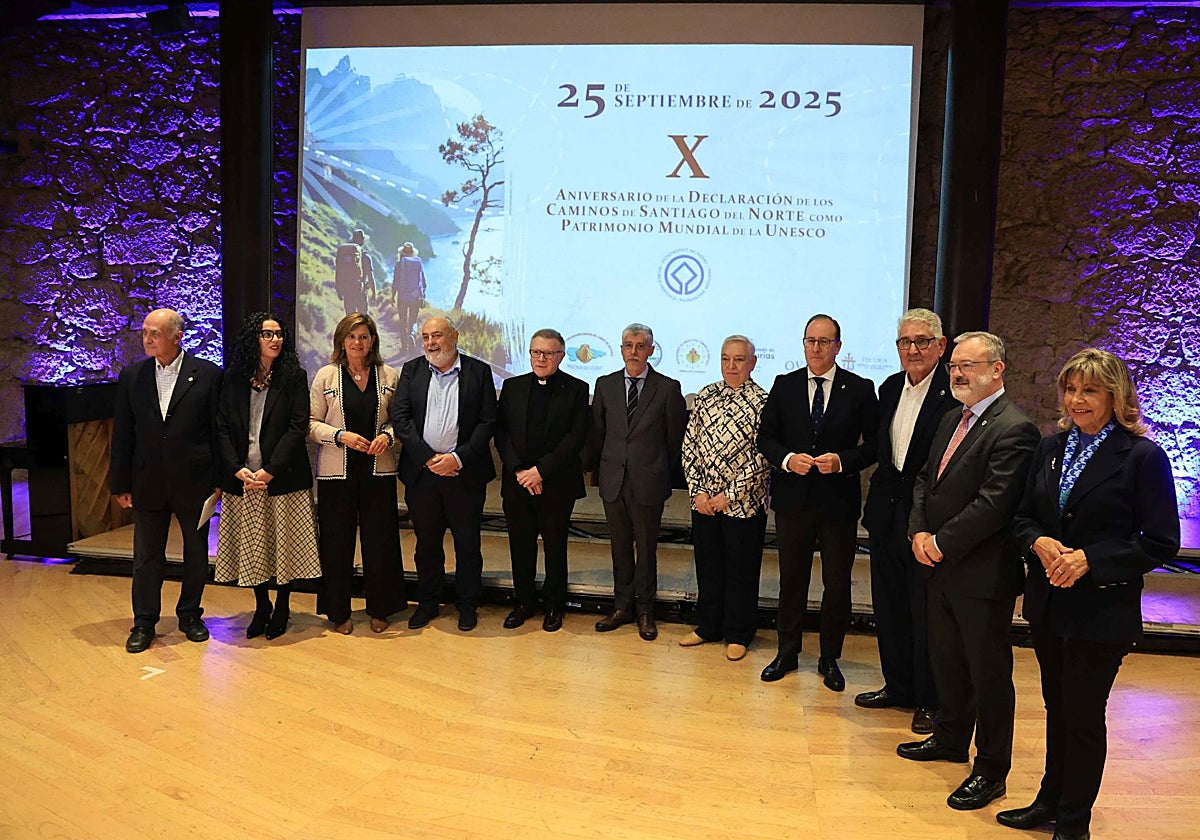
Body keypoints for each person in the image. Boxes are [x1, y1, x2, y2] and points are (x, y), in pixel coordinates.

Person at [998, 349, 1179, 840]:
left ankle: (1074, 823)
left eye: (1090, 391)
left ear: (1116, 397)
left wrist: (1090, 561)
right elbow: (1021, 517)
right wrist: (1036, 540)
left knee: (1081, 716)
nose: (1077, 400)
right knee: (1058, 709)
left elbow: (1160, 541)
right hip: (1049, 604)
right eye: (1071, 389)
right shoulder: (1052, 447)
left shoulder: (1143, 456)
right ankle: (1049, 801)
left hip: (1100, 611)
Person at [898, 330, 1040, 813]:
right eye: (955, 365)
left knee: (989, 675)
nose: (957, 373)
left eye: (968, 366)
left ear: (996, 370)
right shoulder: (949, 418)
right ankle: (951, 738)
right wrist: (919, 532)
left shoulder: (1014, 428)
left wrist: (939, 543)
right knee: (948, 662)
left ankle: (991, 771)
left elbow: (994, 505)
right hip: (937, 566)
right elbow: (924, 480)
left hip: (981, 576)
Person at [757, 314, 879, 691]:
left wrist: (843, 461)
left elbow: (875, 445)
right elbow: (766, 439)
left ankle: (830, 657)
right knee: (791, 581)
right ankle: (787, 652)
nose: (816, 347)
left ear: (838, 346)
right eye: (810, 340)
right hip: (793, 500)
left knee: (836, 584)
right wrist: (787, 459)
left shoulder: (859, 388)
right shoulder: (784, 385)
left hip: (837, 503)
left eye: (824, 341)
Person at [857, 309, 959, 733]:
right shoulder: (889, 387)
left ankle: (930, 699)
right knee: (890, 604)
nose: (912, 350)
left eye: (921, 341)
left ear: (940, 346)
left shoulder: (953, 393)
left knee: (925, 612)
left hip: (927, 520)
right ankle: (897, 685)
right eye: (904, 342)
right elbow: (883, 453)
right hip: (886, 515)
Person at [109, 308, 222, 654]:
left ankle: (190, 615)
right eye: (145, 332)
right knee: (146, 556)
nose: (147, 339)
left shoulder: (207, 374)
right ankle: (144, 621)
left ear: (177, 336)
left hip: (195, 480)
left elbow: (218, 431)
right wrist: (119, 483)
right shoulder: (132, 376)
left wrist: (219, 480)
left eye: (155, 333)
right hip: (148, 481)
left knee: (195, 554)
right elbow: (123, 434)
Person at [215, 312, 321, 640]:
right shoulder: (232, 378)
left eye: (279, 334)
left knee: (284, 546)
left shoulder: (293, 376)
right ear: (253, 339)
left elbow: (297, 426)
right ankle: (262, 606)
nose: (275, 339)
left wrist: (270, 470)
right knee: (255, 547)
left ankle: (284, 605)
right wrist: (237, 468)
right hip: (244, 480)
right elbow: (220, 426)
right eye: (267, 334)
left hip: (282, 478)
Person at [391, 316, 497, 632]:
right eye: (425, 337)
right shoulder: (412, 370)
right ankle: (428, 603)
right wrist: (428, 458)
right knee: (426, 544)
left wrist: (457, 458)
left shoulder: (478, 371)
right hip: (423, 475)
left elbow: (488, 422)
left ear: (455, 336)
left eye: (437, 335)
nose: (430, 343)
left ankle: (467, 605)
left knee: (467, 544)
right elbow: (401, 418)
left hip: (464, 475)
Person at [309, 312, 406, 634]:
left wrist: (387, 437)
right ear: (341, 340)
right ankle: (339, 612)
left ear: (373, 341)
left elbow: (401, 421)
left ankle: (381, 608)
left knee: (381, 541)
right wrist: (340, 436)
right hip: (337, 472)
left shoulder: (389, 375)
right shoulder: (325, 376)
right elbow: (310, 423)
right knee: (336, 542)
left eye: (364, 336)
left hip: (379, 470)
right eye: (352, 337)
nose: (358, 342)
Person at [591, 322, 686, 641]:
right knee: (619, 547)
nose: (633, 351)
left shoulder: (668, 388)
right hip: (613, 480)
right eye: (628, 345)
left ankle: (646, 611)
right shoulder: (604, 385)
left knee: (646, 549)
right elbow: (598, 433)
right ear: (621, 349)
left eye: (640, 346)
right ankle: (621, 607)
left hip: (649, 480)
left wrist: (655, 467)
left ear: (651, 350)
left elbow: (675, 439)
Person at [678, 335, 771, 661]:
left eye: (739, 359)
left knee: (741, 571)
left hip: (743, 505)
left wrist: (729, 496)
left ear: (752, 363)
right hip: (704, 502)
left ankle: (738, 632)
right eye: (726, 359)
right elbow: (690, 445)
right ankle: (708, 626)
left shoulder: (763, 401)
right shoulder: (706, 395)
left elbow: (763, 456)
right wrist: (699, 491)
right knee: (709, 566)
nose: (732, 366)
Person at [494, 328, 590, 632]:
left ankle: (554, 605)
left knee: (554, 546)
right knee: (520, 546)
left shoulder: (577, 389)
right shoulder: (513, 386)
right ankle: (523, 602)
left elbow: (575, 439)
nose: (541, 358)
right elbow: (502, 433)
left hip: (556, 484)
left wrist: (540, 471)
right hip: (518, 483)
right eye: (536, 352)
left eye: (548, 353)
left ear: (560, 356)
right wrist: (522, 471)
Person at [392, 242, 426, 352]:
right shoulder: (418, 262)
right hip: (415, 297)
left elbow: (395, 282)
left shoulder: (398, 264)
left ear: (402, 253)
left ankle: (404, 347)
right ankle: (412, 335)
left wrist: (392, 296)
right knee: (413, 320)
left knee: (403, 321)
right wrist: (422, 294)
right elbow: (423, 282)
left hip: (402, 297)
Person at [334, 229, 375, 316]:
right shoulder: (366, 257)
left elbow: (338, 272)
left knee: (350, 317)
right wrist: (374, 293)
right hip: (361, 289)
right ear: (363, 241)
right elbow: (370, 276)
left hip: (347, 289)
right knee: (362, 317)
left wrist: (339, 289)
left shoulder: (344, 255)